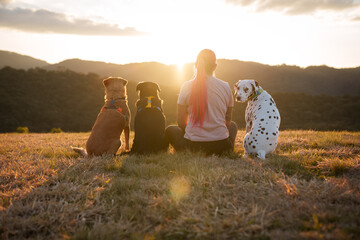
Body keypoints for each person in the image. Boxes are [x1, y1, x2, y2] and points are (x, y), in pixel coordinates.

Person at [166, 49, 237, 155]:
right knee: (233, 126)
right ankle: (227, 149)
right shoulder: (225, 86)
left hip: (192, 146)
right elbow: (227, 121)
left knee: (170, 130)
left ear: (196, 65)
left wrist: (196, 133)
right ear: (215, 67)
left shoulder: (186, 86)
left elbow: (181, 122)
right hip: (222, 147)